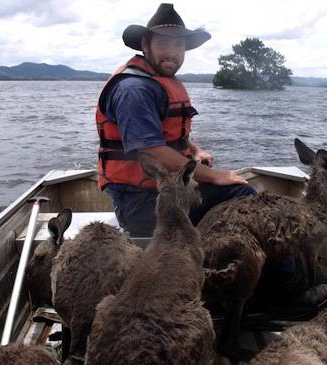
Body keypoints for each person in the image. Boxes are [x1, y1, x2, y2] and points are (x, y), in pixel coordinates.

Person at [96, 3, 256, 236]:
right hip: (142, 204)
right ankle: (288, 274)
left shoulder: (157, 80)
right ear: (145, 45)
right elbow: (152, 152)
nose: (172, 52)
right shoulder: (134, 89)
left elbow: (167, 135)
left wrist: (195, 150)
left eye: (178, 44)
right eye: (163, 43)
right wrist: (215, 176)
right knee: (243, 194)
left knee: (236, 190)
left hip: (169, 189)